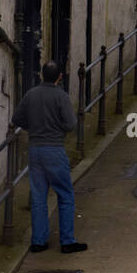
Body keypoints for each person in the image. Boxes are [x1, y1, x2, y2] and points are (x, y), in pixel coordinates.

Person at [10, 61, 87, 254]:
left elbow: (17, 119)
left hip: (35, 149)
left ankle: (38, 241)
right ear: (59, 77)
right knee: (65, 194)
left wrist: (34, 128)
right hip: (54, 149)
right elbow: (70, 124)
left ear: (41, 75)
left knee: (38, 196)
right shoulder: (61, 96)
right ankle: (67, 241)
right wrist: (56, 129)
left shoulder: (31, 95)